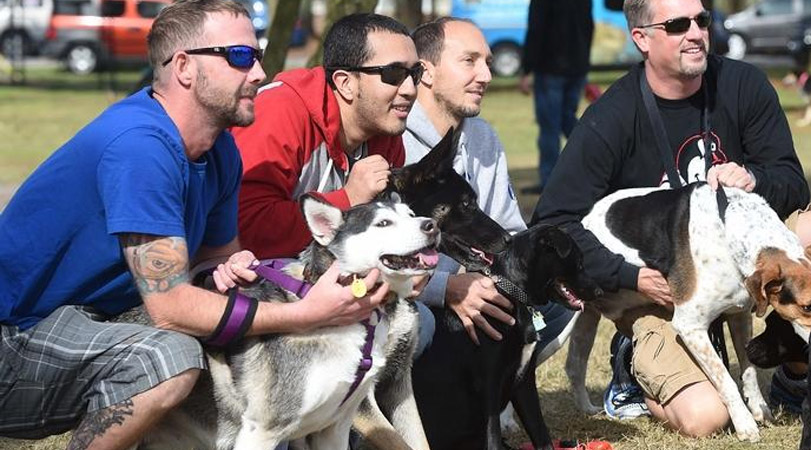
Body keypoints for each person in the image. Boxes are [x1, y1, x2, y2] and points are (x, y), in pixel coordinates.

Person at [0, 1, 388, 448]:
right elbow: (172, 308)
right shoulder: (141, 148)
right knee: (169, 357)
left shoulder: (217, 149)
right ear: (184, 67)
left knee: (238, 329)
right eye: (241, 57)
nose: (260, 72)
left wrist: (228, 272)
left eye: (258, 54)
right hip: (18, 336)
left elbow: (215, 261)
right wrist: (303, 314)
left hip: (92, 323)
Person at [531, 0, 811, 438]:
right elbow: (553, 223)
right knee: (706, 418)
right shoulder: (609, 118)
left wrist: (753, 177)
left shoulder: (743, 84)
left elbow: (792, 181)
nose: (695, 32)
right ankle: (632, 365)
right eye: (676, 24)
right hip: (656, 283)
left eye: (702, 20)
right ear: (642, 40)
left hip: (744, 256)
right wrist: (629, 276)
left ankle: (796, 374)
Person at [404, 17, 572, 357]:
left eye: (488, 63)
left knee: (558, 297)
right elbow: (374, 262)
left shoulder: (482, 136)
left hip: (476, 285)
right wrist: (446, 289)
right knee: (417, 321)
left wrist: (515, 278)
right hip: (414, 295)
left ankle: (496, 390)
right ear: (426, 71)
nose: (486, 76)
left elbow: (507, 231)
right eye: (470, 61)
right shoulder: (394, 140)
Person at [232, 13, 420, 260]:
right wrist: (348, 199)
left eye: (415, 73)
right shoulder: (279, 112)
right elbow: (245, 230)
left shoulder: (386, 131)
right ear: (345, 83)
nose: (410, 89)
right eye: (393, 74)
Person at [518, 0, 594, 194]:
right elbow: (588, 27)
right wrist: (584, 61)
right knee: (568, 119)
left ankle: (549, 181)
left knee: (549, 126)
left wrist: (527, 69)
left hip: (550, 67)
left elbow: (536, 30)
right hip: (577, 66)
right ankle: (594, 162)